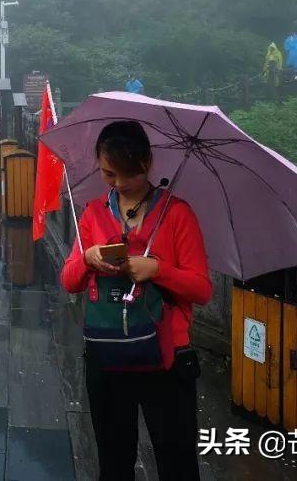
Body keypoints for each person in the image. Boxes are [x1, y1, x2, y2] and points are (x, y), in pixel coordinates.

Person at [61, 121, 210, 481]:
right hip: (107, 354)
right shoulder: (94, 213)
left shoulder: (177, 214)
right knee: (114, 464)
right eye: (108, 173)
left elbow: (202, 290)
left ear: (147, 162)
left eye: (127, 173)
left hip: (166, 359)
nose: (118, 183)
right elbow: (69, 281)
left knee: (177, 464)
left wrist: (157, 269)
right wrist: (89, 258)